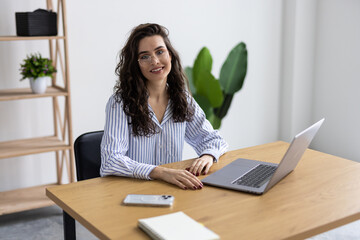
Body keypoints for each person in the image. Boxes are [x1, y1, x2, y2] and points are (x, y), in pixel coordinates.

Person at [100, 23, 228, 190]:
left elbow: (214, 140)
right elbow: (111, 160)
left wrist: (208, 155)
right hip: (132, 192)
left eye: (160, 52)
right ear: (135, 64)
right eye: (145, 56)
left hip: (172, 191)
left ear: (170, 56)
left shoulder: (182, 98)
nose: (155, 61)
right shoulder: (120, 103)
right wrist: (160, 172)